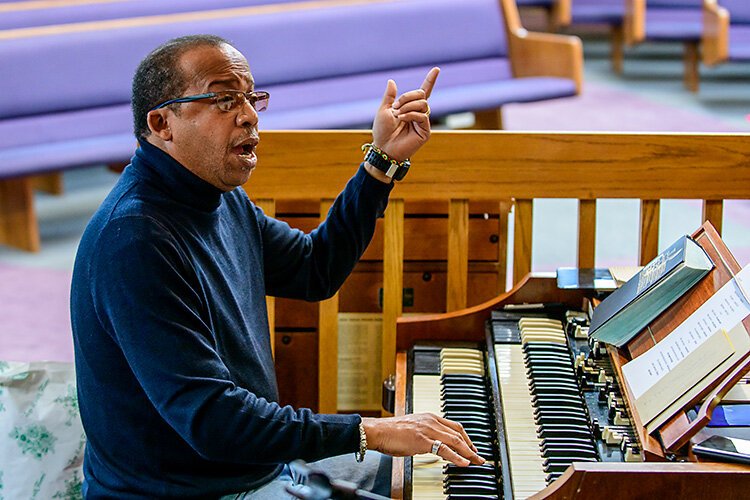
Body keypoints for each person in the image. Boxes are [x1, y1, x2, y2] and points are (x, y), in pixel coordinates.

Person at [71, 34, 483, 499]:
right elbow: (212, 420)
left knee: (442, 471)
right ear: (163, 123)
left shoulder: (218, 198)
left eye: (251, 98)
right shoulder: (135, 241)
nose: (249, 116)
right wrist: (367, 431)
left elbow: (314, 269)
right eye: (224, 99)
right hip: (191, 492)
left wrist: (381, 162)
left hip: (255, 470)